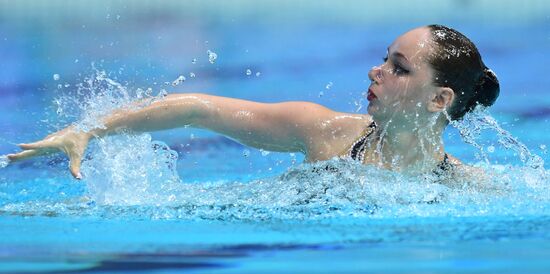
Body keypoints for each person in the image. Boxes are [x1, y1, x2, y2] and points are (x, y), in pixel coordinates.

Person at [6, 24, 499, 179]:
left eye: (399, 67)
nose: (377, 70)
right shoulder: (324, 132)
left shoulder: (468, 188)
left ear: (439, 100)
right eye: (383, 58)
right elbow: (196, 107)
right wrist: (89, 129)